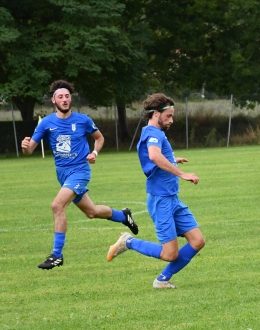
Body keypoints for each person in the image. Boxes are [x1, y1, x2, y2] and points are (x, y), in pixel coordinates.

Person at [21, 80, 139, 270]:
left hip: (80, 171)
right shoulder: (47, 123)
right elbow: (29, 151)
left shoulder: (83, 120)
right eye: (60, 96)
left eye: (67, 96)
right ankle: (123, 216)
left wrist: (95, 153)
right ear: (53, 100)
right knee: (91, 212)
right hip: (63, 175)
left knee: (57, 205)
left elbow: (99, 138)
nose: (65, 99)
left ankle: (57, 255)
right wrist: (25, 147)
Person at [107, 93, 205, 289]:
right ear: (156, 114)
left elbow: (155, 158)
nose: (171, 120)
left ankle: (162, 280)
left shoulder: (152, 133)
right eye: (168, 116)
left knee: (197, 241)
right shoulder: (154, 133)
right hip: (161, 200)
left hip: (172, 198)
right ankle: (128, 242)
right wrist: (182, 173)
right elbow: (153, 156)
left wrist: (173, 160)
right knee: (170, 253)